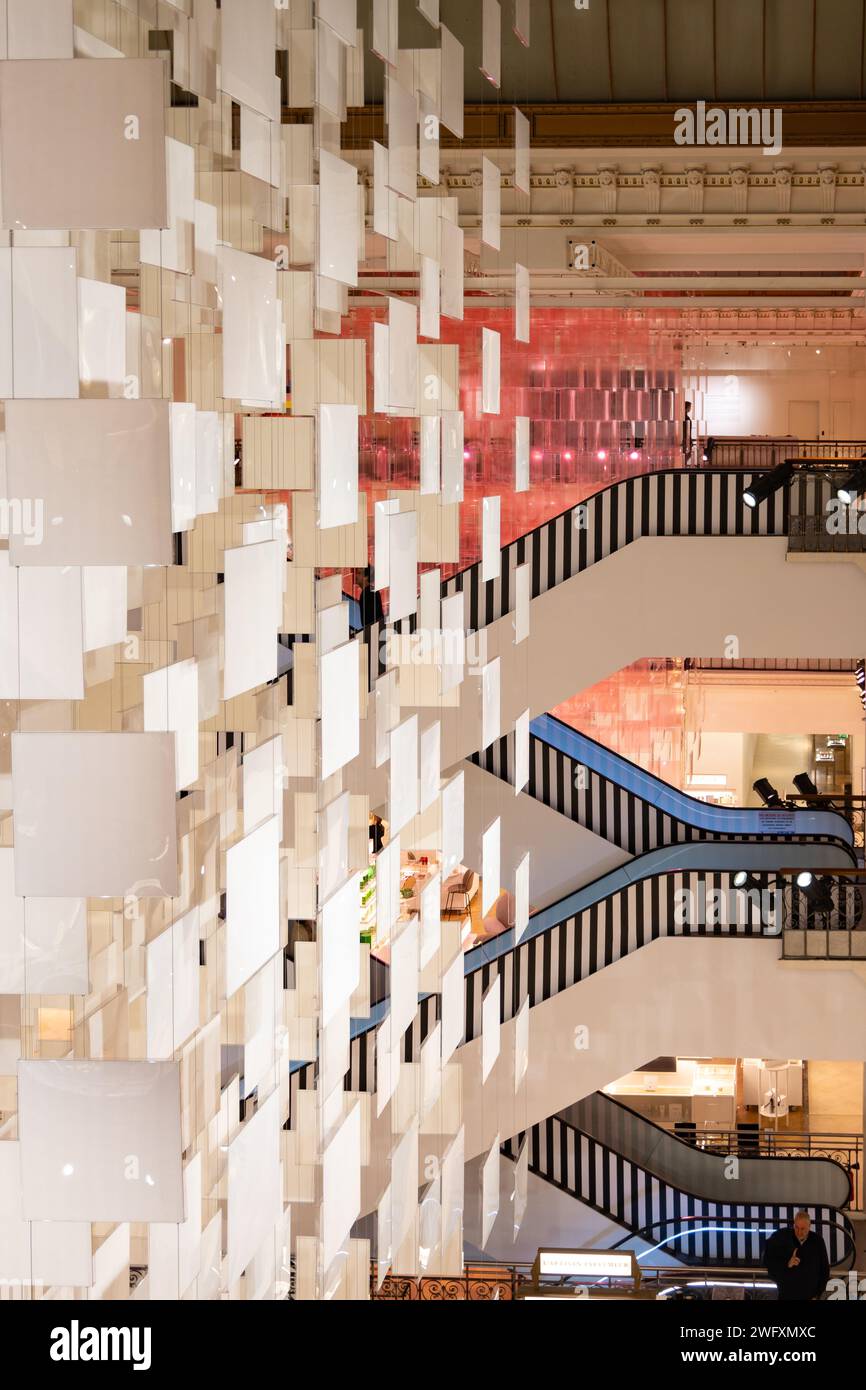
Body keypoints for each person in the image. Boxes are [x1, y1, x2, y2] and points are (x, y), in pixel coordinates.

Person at [763, 1211, 829, 1301]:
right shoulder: (782, 1238)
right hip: (787, 1296)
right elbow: (770, 1263)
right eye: (796, 1228)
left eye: (803, 1229)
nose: (799, 1232)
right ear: (794, 1225)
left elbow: (824, 1270)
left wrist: (817, 1294)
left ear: (809, 1227)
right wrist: (787, 1264)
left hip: (810, 1296)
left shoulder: (817, 1241)